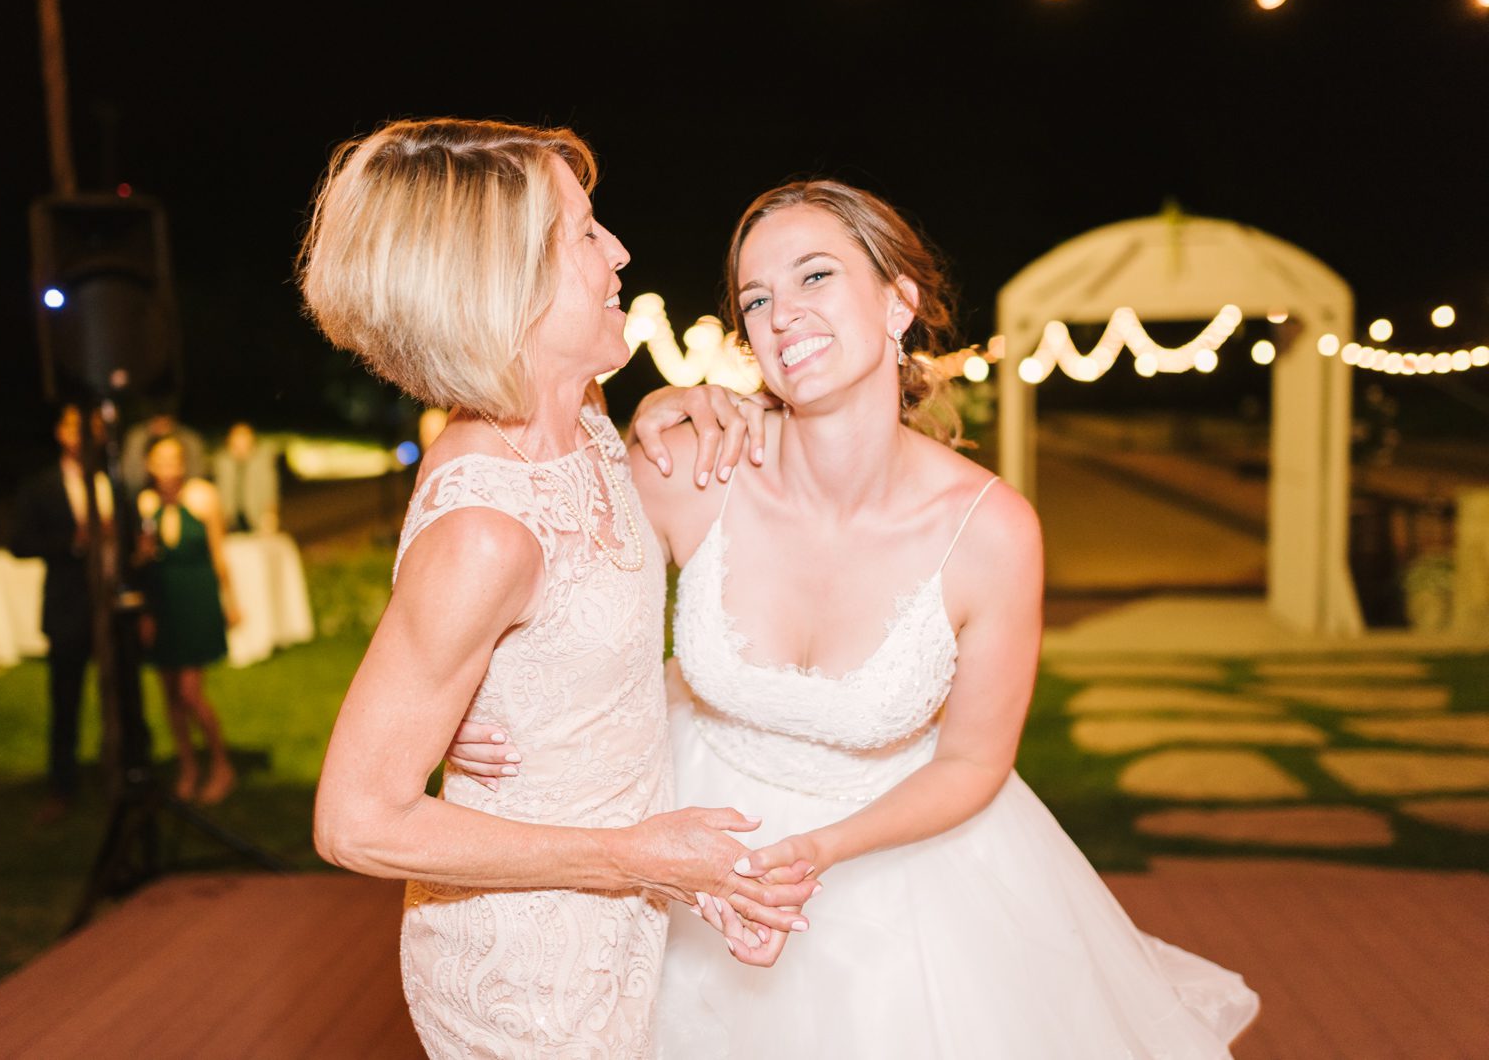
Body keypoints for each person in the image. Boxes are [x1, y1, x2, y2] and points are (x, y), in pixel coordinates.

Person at [451, 179, 1260, 1056]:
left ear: (897, 302)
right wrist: (475, 705)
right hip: (684, 841)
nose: (782, 314)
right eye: (756, 299)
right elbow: (534, 585)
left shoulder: (990, 532)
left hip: (908, 877)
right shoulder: (690, 470)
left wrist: (819, 851)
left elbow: (975, 762)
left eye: (815, 277)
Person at [297, 117, 812, 1059]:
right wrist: (632, 858)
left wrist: (662, 409)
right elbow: (353, 819)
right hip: (526, 976)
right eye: (583, 232)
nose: (618, 251)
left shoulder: (579, 414)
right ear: (503, 283)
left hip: (616, 927)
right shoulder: (485, 534)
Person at [9, 404, 152, 821]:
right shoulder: (42, 486)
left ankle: (134, 775)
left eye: (88, 428)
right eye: (73, 427)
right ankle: (62, 786)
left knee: (128, 695)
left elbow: (132, 542)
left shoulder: (115, 482)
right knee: (66, 699)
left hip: (117, 608)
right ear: (60, 433)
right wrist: (74, 540)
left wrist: (132, 550)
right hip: (70, 608)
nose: (81, 436)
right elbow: (19, 543)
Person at [137, 436, 237, 804]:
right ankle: (188, 767)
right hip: (163, 604)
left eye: (174, 459)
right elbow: (139, 565)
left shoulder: (203, 497)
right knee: (170, 695)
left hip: (196, 601)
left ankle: (222, 764)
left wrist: (230, 602)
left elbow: (218, 554)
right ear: (150, 466)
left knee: (190, 693)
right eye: (161, 461)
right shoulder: (145, 504)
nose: (169, 468)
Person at [213, 421, 280, 533]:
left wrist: (270, 514)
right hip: (229, 518)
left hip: (255, 516)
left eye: (244, 437)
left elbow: (270, 489)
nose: (241, 442)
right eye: (237, 437)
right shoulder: (222, 462)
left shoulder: (262, 461)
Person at [122, 410, 206, 491]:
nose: (167, 472)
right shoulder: (147, 499)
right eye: (161, 463)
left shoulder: (197, 495)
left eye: (172, 463)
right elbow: (132, 480)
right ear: (148, 465)